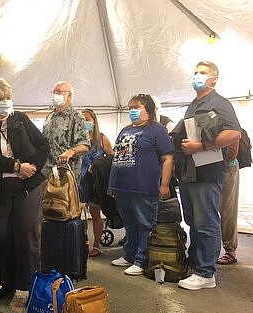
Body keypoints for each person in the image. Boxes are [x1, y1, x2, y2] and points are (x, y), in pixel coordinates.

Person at [0, 76, 50, 302]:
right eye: (0, 98)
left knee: (27, 232)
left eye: (8, 97)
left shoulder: (21, 119)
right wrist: (16, 166)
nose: (6, 102)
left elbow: (43, 145)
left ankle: (31, 282)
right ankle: (7, 283)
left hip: (27, 185)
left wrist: (33, 166)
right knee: (2, 236)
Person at [175, 61, 241, 290]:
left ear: (214, 79)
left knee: (206, 222)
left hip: (207, 171)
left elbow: (234, 133)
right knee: (193, 221)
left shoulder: (219, 103)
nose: (197, 76)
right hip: (189, 172)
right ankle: (196, 266)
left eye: (202, 73)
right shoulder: (193, 104)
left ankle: (206, 273)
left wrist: (201, 146)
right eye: (195, 72)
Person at [109, 94, 174, 276]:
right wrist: (112, 183)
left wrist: (164, 184)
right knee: (129, 224)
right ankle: (129, 255)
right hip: (123, 187)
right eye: (130, 107)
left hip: (144, 186)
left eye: (136, 107)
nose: (132, 110)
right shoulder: (125, 130)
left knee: (145, 223)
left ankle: (142, 260)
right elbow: (117, 157)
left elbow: (168, 158)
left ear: (149, 110)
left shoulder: (157, 130)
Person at [79, 109, 113, 256]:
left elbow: (111, 159)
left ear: (94, 121)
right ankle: (82, 244)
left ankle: (96, 245)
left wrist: (98, 166)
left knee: (95, 214)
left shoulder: (102, 139)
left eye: (87, 119)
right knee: (79, 216)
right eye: (82, 120)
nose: (85, 122)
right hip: (79, 182)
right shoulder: (77, 139)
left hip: (94, 183)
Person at [41, 81, 90, 181]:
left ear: (69, 96)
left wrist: (70, 152)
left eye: (59, 92)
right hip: (46, 173)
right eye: (53, 92)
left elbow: (84, 145)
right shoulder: (49, 117)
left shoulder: (76, 117)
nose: (55, 95)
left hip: (66, 174)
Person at [217, 138, 240, 264]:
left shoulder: (229, 120)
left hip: (227, 167)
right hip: (213, 168)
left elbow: (232, 152)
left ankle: (230, 250)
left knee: (227, 210)